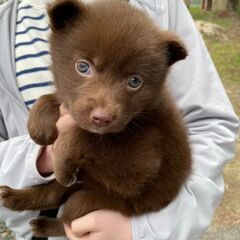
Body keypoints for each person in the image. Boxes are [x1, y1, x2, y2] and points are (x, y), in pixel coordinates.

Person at [0, 0, 239, 239]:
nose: (104, 110)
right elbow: (64, 100)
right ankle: (50, 198)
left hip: (138, 188)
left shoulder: (163, 7)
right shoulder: (8, 26)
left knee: (78, 206)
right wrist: (46, 148)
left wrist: (145, 230)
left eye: (134, 82)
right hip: (88, 177)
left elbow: (133, 181)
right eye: (84, 67)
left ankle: (61, 224)